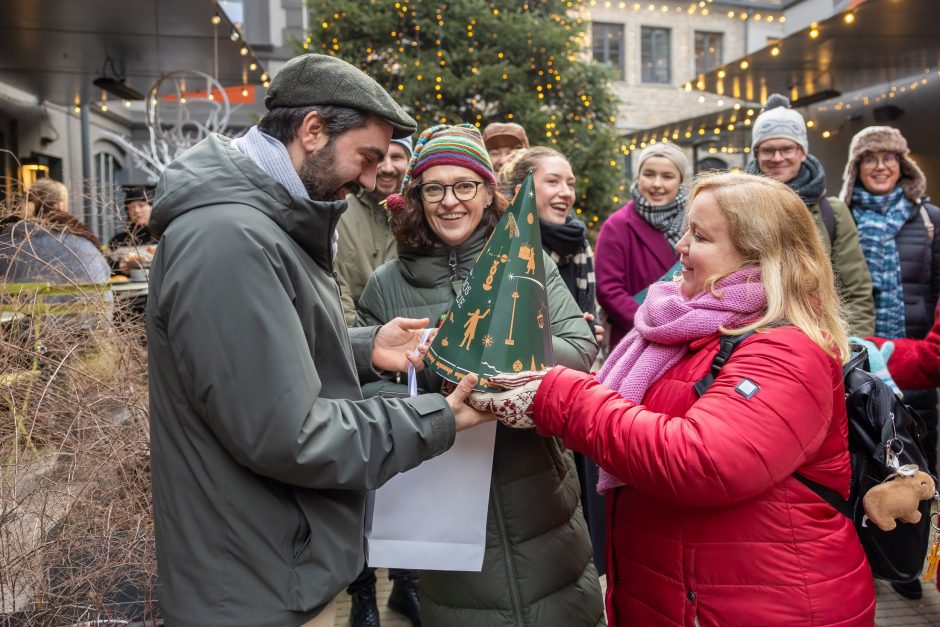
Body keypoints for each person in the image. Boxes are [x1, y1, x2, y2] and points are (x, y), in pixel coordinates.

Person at [145, 54, 494, 627]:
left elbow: (258, 360)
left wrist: (362, 346)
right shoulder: (230, 238)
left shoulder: (254, 226)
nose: (369, 179)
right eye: (367, 157)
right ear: (312, 131)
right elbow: (288, 434)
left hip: (267, 565)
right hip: (250, 584)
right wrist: (434, 420)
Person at [516, 172, 876, 625]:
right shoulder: (687, 325)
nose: (680, 246)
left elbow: (703, 459)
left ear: (758, 254)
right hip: (687, 593)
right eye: (686, 230)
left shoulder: (787, 348)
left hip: (767, 604)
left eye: (700, 236)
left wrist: (562, 394)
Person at [357, 124, 605, 627]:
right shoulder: (387, 283)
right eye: (434, 187)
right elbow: (366, 391)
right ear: (416, 195)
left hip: (538, 491)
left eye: (464, 185)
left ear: (489, 192)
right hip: (441, 502)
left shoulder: (527, 262)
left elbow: (578, 350)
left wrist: (478, 358)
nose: (450, 201)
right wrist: (431, 399)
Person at [840, 125, 940, 599]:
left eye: (889, 158)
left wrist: (915, 355)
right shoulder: (842, 219)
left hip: (913, 358)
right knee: (867, 457)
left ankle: (907, 559)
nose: (880, 166)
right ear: (856, 169)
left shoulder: (929, 220)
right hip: (859, 360)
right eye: (869, 159)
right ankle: (868, 551)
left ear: (904, 166)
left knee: (916, 461)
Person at [497, 145, 606, 575]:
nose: (565, 192)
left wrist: (587, 333)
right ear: (525, 189)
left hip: (573, 387)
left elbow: (586, 329)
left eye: (570, 183)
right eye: (553, 182)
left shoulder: (581, 246)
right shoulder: (506, 245)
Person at [744, 93, 875, 336]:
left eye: (786, 149)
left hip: (818, 337)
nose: (777, 158)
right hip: (751, 337)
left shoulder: (832, 212)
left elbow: (856, 290)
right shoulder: (737, 208)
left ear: (802, 152)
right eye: (768, 150)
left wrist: (856, 348)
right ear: (756, 153)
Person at [595, 142, 688, 348]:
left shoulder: (693, 223)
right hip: (634, 338)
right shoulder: (617, 225)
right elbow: (609, 291)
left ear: (680, 181)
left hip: (688, 335)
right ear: (638, 178)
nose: (657, 184)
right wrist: (650, 323)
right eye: (649, 174)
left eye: (667, 176)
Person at [0, 178, 111, 328]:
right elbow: (105, 294)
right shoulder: (85, 244)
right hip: (82, 336)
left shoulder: (8, 240)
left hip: (18, 340)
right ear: (60, 205)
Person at [335, 135, 412, 326]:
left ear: (410, 163)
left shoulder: (422, 215)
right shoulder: (340, 212)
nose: (387, 168)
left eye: (396, 157)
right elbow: (334, 281)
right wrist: (363, 336)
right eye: (379, 158)